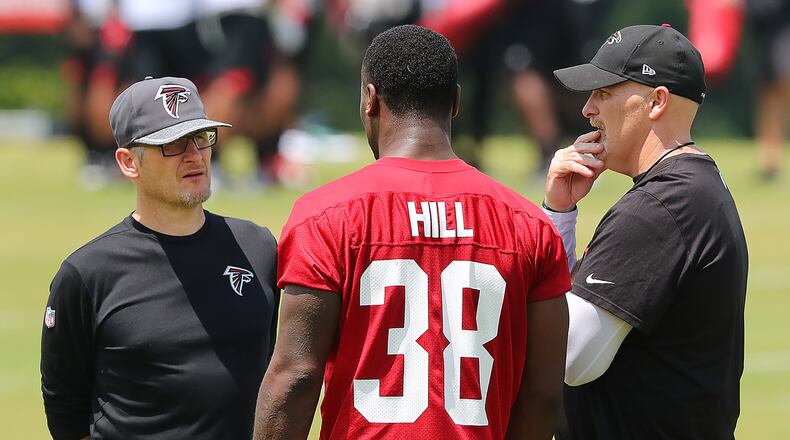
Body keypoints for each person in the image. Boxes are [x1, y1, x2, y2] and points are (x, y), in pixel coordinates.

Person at [254, 25, 570, 440]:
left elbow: (295, 377)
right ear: (455, 102)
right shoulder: (529, 224)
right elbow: (544, 396)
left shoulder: (324, 215)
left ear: (370, 99)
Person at [41, 76, 280, 440]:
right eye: (172, 144)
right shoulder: (88, 273)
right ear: (127, 162)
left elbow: (280, 376)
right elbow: (65, 408)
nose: (194, 155)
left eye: (201, 137)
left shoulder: (258, 248)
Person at [544, 24, 748, 439]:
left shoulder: (660, 207)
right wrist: (560, 213)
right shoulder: (694, 187)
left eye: (604, 91)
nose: (587, 109)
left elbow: (569, 359)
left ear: (656, 101)